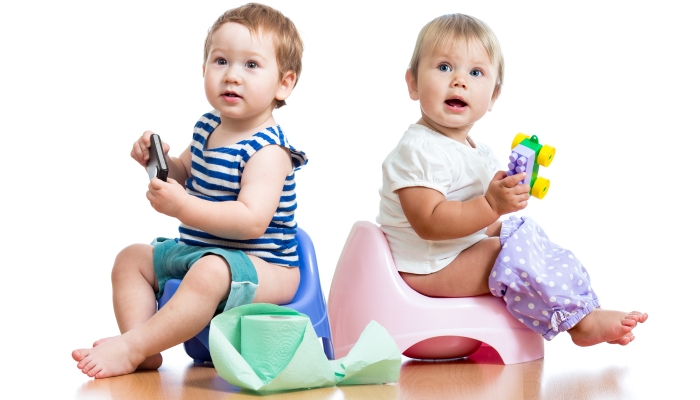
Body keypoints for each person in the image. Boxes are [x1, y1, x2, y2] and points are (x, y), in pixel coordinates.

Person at [377, 13, 647, 346]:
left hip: (454, 251)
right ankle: (581, 325)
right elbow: (429, 223)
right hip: (428, 266)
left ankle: (585, 308)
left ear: (492, 97)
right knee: (507, 254)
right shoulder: (418, 149)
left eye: (475, 72)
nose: (459, 81)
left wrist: (507, 196)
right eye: (444, 67)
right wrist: (491, 204)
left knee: (524, 232)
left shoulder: (479, 152)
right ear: (413, 83)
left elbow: (484, 217)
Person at [72, 3, 307, 379]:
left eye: (251, 65)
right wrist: (160, 160)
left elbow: (250, 222)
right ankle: (140, 343)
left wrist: (183, 207)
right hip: (204, 252)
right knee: (131, 258)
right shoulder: (207, 127)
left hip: (265, 266)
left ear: (284, 83)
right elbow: (184, 173)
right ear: (203, 70)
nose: (232, 76)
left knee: (210, 272)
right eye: (220, 61)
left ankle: (134, 347)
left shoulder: (269, 152)